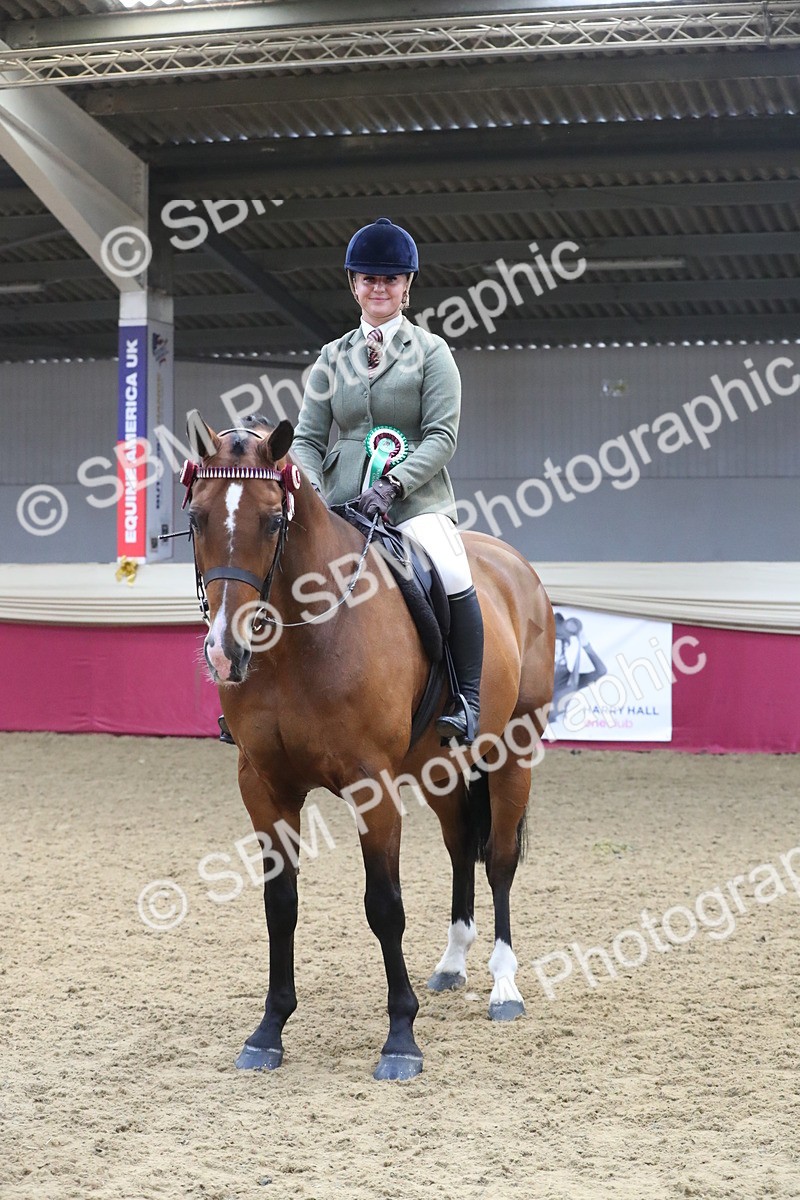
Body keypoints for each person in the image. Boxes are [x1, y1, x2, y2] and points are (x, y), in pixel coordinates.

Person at [290, 217, 483, 745]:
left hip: (415, 503)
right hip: (340, 504)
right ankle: (259, 698)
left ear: (407, 286)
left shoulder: (432, 353)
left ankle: (467, 700)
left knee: (450, 567)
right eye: (370, 279)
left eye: (391, 279)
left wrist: (392, 487)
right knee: (277, 565)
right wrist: (309, 491)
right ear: (353, 283)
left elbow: (442, 437)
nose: (380, 288)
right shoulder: (332, 357)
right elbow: (306, 438)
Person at [551, 613, 607, 721]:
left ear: (566, 647)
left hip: (554, 731)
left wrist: (585, 644)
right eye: (554, 642)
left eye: (561, 643)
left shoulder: (571, 679)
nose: (557, 647)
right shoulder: (532, 672)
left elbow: (601, 671)